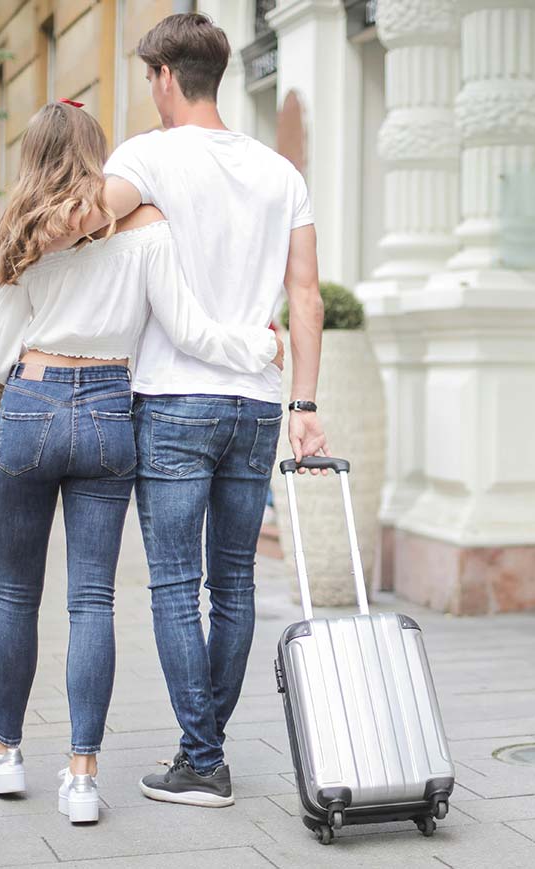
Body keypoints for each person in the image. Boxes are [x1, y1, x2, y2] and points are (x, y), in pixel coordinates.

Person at [0, 100, 283, 825]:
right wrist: (259, 347)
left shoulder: (21, 234)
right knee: (92, 601)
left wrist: (4, 366)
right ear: (100, 155)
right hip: (112, 413)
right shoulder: (146, 229)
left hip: (31, 402)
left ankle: (5, 753)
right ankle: (82, 778)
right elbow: (189, 330)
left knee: (16, 595)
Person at [84, 12, 329, 808]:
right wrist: (306, 404)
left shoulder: (145, 157)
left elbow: (87, 218)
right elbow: (306, 298)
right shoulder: (279, 172)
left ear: (163, 76)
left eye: (147, 77)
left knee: (172, 582)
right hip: (257, 401)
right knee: (233, 582)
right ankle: (205, 744)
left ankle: (201, 758)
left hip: (175, 396)